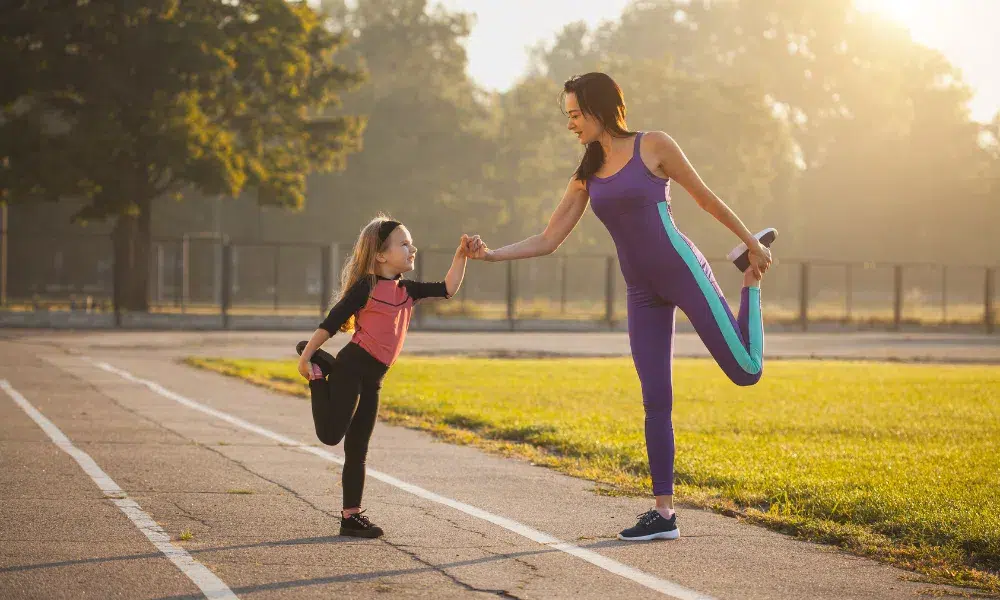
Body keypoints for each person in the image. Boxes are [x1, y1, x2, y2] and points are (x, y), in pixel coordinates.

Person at [463, 72, 778, 541]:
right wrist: (490, 255)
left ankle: (749, 285)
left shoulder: (654, 145)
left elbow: (705, 198)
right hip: (641, 292)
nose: (571, 124)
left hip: (682, 270)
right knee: (655, 399)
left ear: (596, 109)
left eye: (574, 114)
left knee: (746, 370)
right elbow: (549, 239)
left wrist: (751, 244)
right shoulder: (586, 172)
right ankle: (664, 514)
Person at [296, 215, 469, 538]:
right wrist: (307, 358)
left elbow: (448, 288)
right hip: (351, 368)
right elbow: (332, 322)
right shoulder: (367, 287)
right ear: (380, 255)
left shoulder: (408, 290)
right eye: (404, 244)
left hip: (374, 379)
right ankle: (320, 375)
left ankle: (351, 517)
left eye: (411, 243)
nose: (411, 248)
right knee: (332, 436)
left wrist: (461, 255)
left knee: (358, 449)